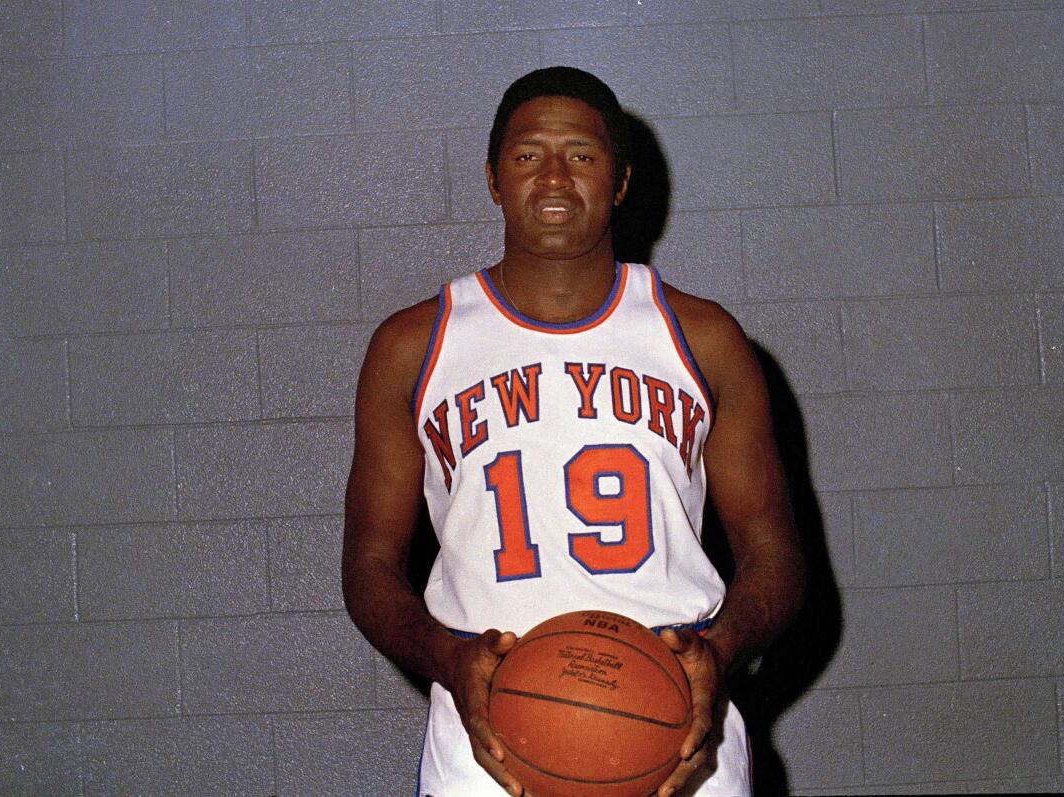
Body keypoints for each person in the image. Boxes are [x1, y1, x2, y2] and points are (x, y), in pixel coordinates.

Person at [343, 66, 804, 797]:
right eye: (528, 155)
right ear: (494, 178)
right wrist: (448, 656)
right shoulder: (413, 346)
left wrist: (719, 651)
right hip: (486, 749)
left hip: (682, 745)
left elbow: (775, 553)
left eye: (582, 156)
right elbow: (368, 566)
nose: (555, 176)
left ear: (620, 181)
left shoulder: (703, 337)